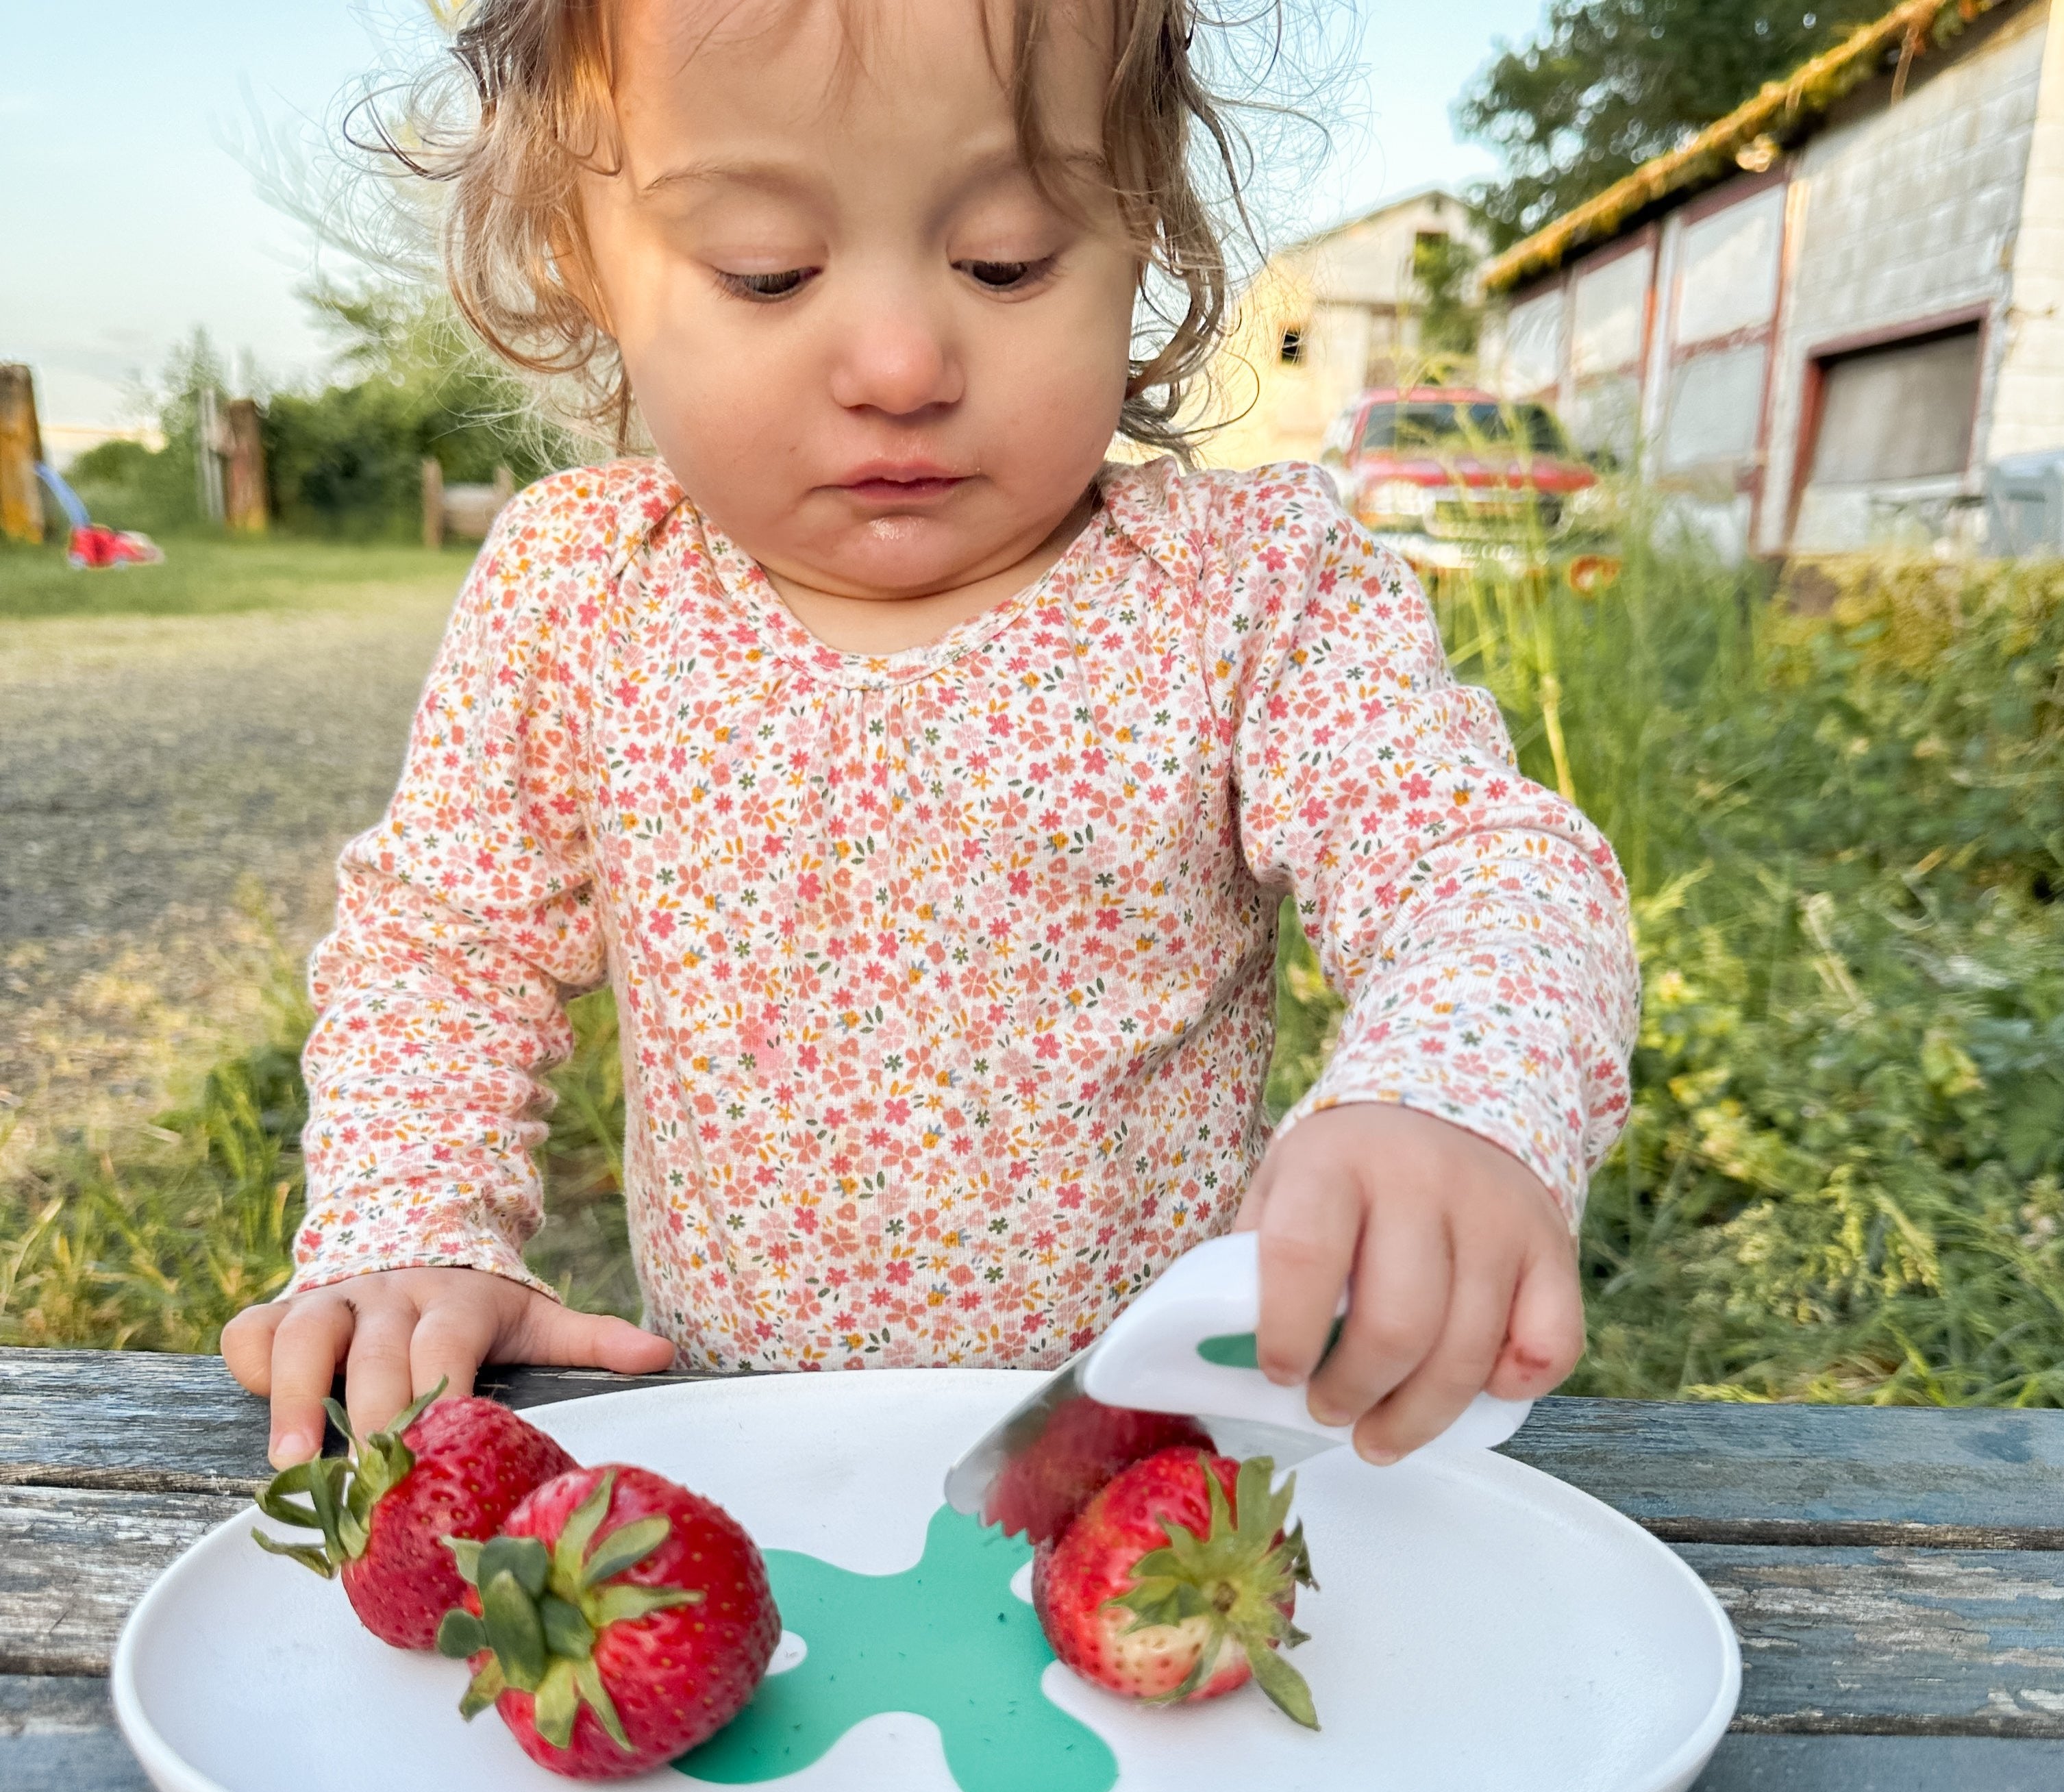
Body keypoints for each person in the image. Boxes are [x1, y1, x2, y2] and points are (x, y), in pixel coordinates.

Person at [224, 0, 1638, 1475]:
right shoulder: (582, 591)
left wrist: (1449, 1100)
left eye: (1006, 260)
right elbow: (451, 946)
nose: (901, 361)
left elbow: (1481, 860)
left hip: (1155, 1468)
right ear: (585, 267)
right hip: (747, 1461)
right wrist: (409, 1222)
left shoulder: (1244, 592)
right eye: (766, 272)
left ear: (1142, 231)